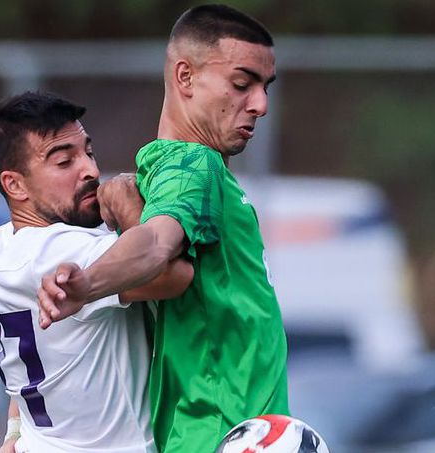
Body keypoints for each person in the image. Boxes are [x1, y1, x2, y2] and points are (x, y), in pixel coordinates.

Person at [38, 5, 289, 453]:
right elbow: (157, 242)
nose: (260, 104)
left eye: (265, 87)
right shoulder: (192, 163)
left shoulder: (183, 172)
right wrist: (86, 285)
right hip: (221, 435)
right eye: (241, 83)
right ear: (186, 78)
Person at [0, 91, 194, 453]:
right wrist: (130, 210)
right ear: (14, 185)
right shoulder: (57, 251)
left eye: (88, 152)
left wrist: (15, 428)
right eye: (64, 162)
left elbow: (23, 361)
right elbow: (174, 276)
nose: (91, 170)